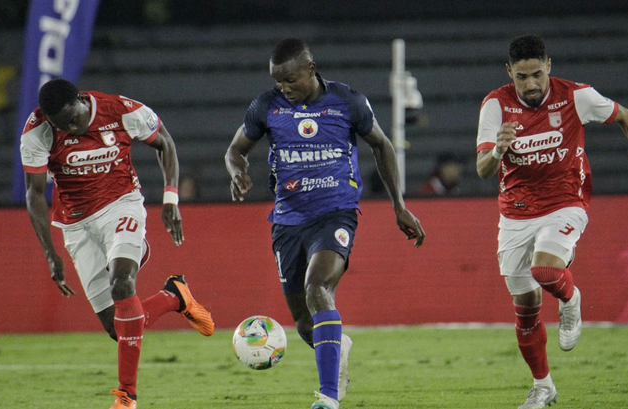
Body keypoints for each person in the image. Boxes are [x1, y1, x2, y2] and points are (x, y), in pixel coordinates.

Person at [475, 34, 628, 409]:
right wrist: (499, 150)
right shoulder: (496, 105)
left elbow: (625, 116)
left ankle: (571, 299)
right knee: (525, 309)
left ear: (549, 66)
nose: (531, 84)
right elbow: (483, 170)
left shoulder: (575, 96)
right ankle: (543, 387)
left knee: (545, 270)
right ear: (509, 72)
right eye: (522, 77)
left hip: (566, 202)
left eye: (537, 74)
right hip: (516, 213)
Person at [225, 38, 425, 409]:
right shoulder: (267, 106)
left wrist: (399, 206)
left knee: (318, 288)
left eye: (291, 80)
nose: (285, 88)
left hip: (336, 212)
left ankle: (328, 397)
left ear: (311, 69)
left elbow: (382, 145)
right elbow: (236, 150)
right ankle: (337, 346)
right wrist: (238, 171)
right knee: (304, 322)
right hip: (287, 221)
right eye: (278, 81)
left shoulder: (347, 101)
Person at [21, 79, 215, 409]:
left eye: (74, 119)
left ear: (82, 100)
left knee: (121, 282)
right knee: (118, 328)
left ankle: (127, 395)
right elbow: (35, 194)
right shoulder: (37, 131)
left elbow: (165, 142)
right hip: (76, 224)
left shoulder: (121, 110)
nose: (70, 129)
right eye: (62, 125)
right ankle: (174, 296)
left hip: (121, 205)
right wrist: (50, 253)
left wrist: (171, 199)